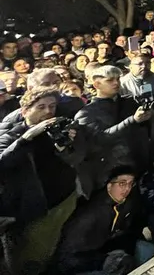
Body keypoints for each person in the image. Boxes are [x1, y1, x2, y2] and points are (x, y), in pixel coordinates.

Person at [0, 87, 89, 275]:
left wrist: (66, 146)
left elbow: (76, 159)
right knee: (30, 258)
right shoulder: (11, 135)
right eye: (41, 107)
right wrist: (26, 138)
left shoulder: (57, 129)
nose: (48, 111)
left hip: (64, 199)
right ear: (25, 111)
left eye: (52, 106)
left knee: (56, 249)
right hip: (35, 209)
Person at [54, 166, 154, 274]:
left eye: (130, 184)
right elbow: (64, 259)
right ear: (109, 186)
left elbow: (125, 228)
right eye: (122, 183)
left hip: (107, 249)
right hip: (85, 263)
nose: (127, 189)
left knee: (148, 249)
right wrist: (102, 262)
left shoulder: (125, 203)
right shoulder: (89, 215)